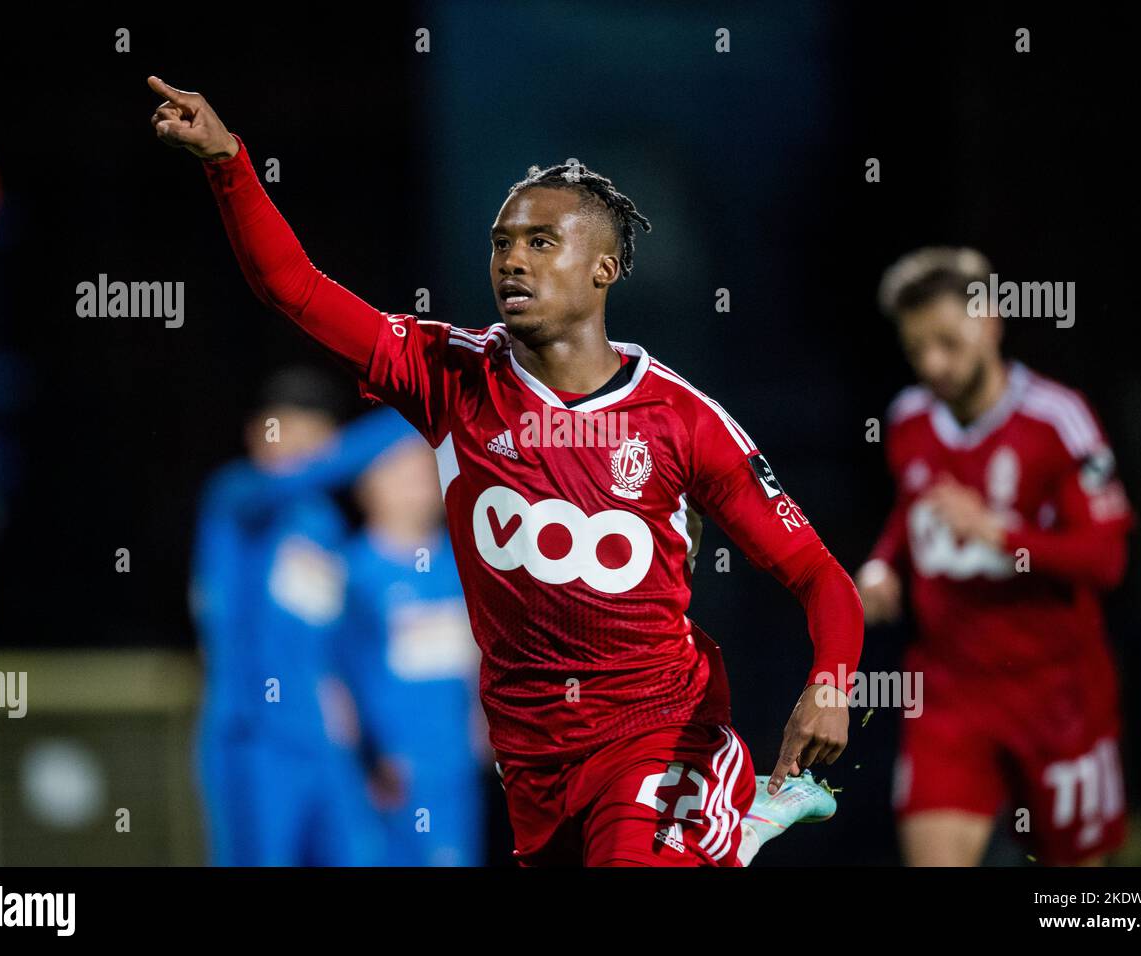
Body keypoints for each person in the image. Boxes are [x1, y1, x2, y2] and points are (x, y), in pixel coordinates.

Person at [151, 76, 862, 867]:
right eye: (501, 243)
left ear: (604, 268)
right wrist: (228, 162)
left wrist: (829, 683)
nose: (511, 261)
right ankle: (733, 828)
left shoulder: (682, 419)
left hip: (656, 729)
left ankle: (721, 811)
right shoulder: (447, 375)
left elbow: (819, 575)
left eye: (539, 242)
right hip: (533, 757)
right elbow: (294, 289)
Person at [858, 247, 1133, 866]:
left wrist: (1003, 535)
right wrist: (882, 565)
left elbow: (1107, 561)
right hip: (950, 694)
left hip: (1058, 698)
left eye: (948, 342)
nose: (933, 364)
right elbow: (912, 513)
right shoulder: (908, 419)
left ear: (990, 322)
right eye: (916, 348)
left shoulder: (1058, 421)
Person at [191, 368, 409, 865]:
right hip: (254, 737)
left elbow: (335, 645)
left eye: (315, 435)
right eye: (285, 430)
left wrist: (374, 745)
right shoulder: (237, 499)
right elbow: (302, 477)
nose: (301, 449)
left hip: (322, 742)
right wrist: (416, 417)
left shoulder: (324, 527)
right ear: (256, 433)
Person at [341, 431, 491, 866]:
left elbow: (478, 654)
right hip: (379, 769)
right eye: (401, 473)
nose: (418, 484)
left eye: (425, 473)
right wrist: (366, 753)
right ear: (367, 485)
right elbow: (333, 672)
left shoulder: (466, 564)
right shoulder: (350, 571)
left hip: (453, 763)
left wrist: (483, 721)